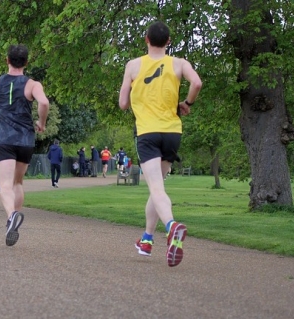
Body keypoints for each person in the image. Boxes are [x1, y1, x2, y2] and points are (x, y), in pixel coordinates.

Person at [119, 21, 202, 267]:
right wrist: (187, 103)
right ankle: (146, 240)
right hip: (172, 132)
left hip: (147, 132)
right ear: (168, 42)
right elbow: (196, 83)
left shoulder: (133, 65)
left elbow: (123, 104)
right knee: (157, 189)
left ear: (146, 39)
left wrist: (133, 91)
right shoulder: (179, 63)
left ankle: (171, 226)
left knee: (156, 188)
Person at [0, 44, 50, 247]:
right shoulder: (32, 85)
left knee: (6, 184)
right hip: (25, 140)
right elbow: (43, 103)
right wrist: (41, 123)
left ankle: (11, 217)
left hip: (4, 140)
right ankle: (14, 219)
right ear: (26, 62)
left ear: (7, 60)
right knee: (18, 183)